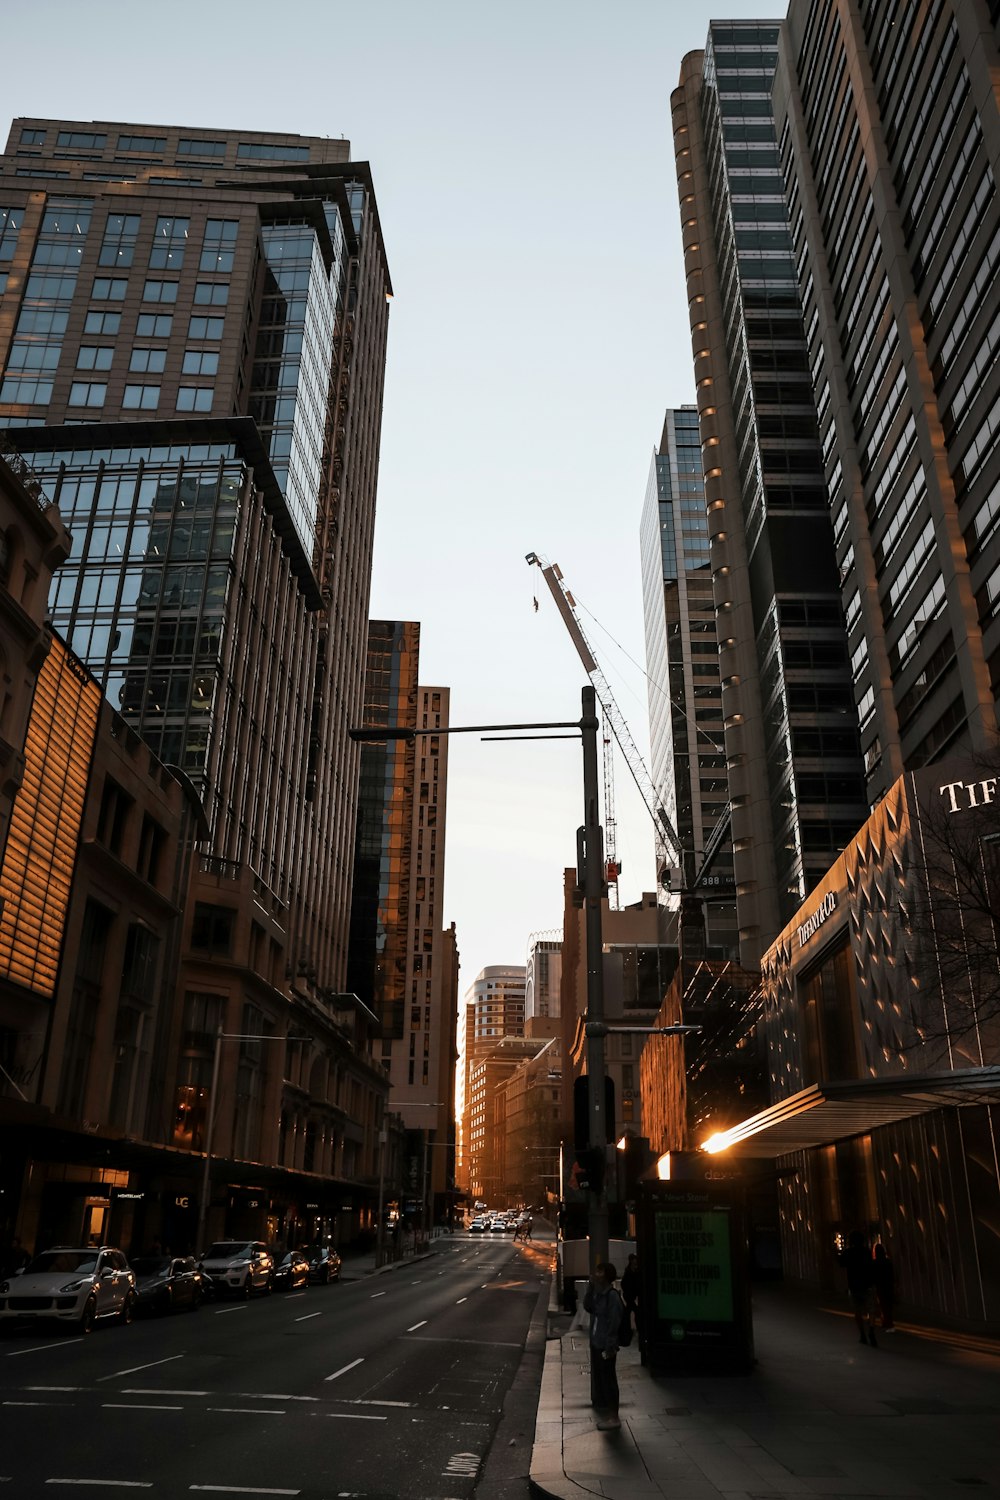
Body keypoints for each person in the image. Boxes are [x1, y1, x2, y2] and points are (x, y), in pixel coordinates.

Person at [583, 1261, 624, 1430]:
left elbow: (613, 1324)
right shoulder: (599, 1294)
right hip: (597, 1342)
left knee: (609, 1380)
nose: (595, 1274)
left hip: (605, 1345)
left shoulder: (612, 1296)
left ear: (606, 1276)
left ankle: (613, 1417)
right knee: (603, 1378)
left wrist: (610, 1346)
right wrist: (590, 1288)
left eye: (599, 1272)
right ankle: (609, 1414)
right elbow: (588, 1307)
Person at [839, 1230, 878, 1346]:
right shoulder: (866, 1252)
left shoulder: (848, 1252)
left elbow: (841, 1264)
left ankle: (862, 1334)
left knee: (858, 1311)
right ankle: (871, 1328)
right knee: (871, 1310)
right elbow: (871, 1267)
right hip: (867, 1285)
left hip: (854, 1286)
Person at [872, 1243, 895, 1332]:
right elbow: (892, 1274)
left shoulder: (875, 1263)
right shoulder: (888, 1262)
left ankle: (887, 1323)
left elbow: (873, 1275)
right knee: (888, 1305)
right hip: (888, 1285)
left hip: (880, 1286)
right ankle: (888, 1322)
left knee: (883, 1305)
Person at [620, 1252, 639, 1348]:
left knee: (630, 1311)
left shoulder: (634, 1270)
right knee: (633, 1311)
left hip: (632, 1295)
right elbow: (624, 1283)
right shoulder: (629, 1271)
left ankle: (631, 1328)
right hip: (629, 1295)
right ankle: (633, 1329)